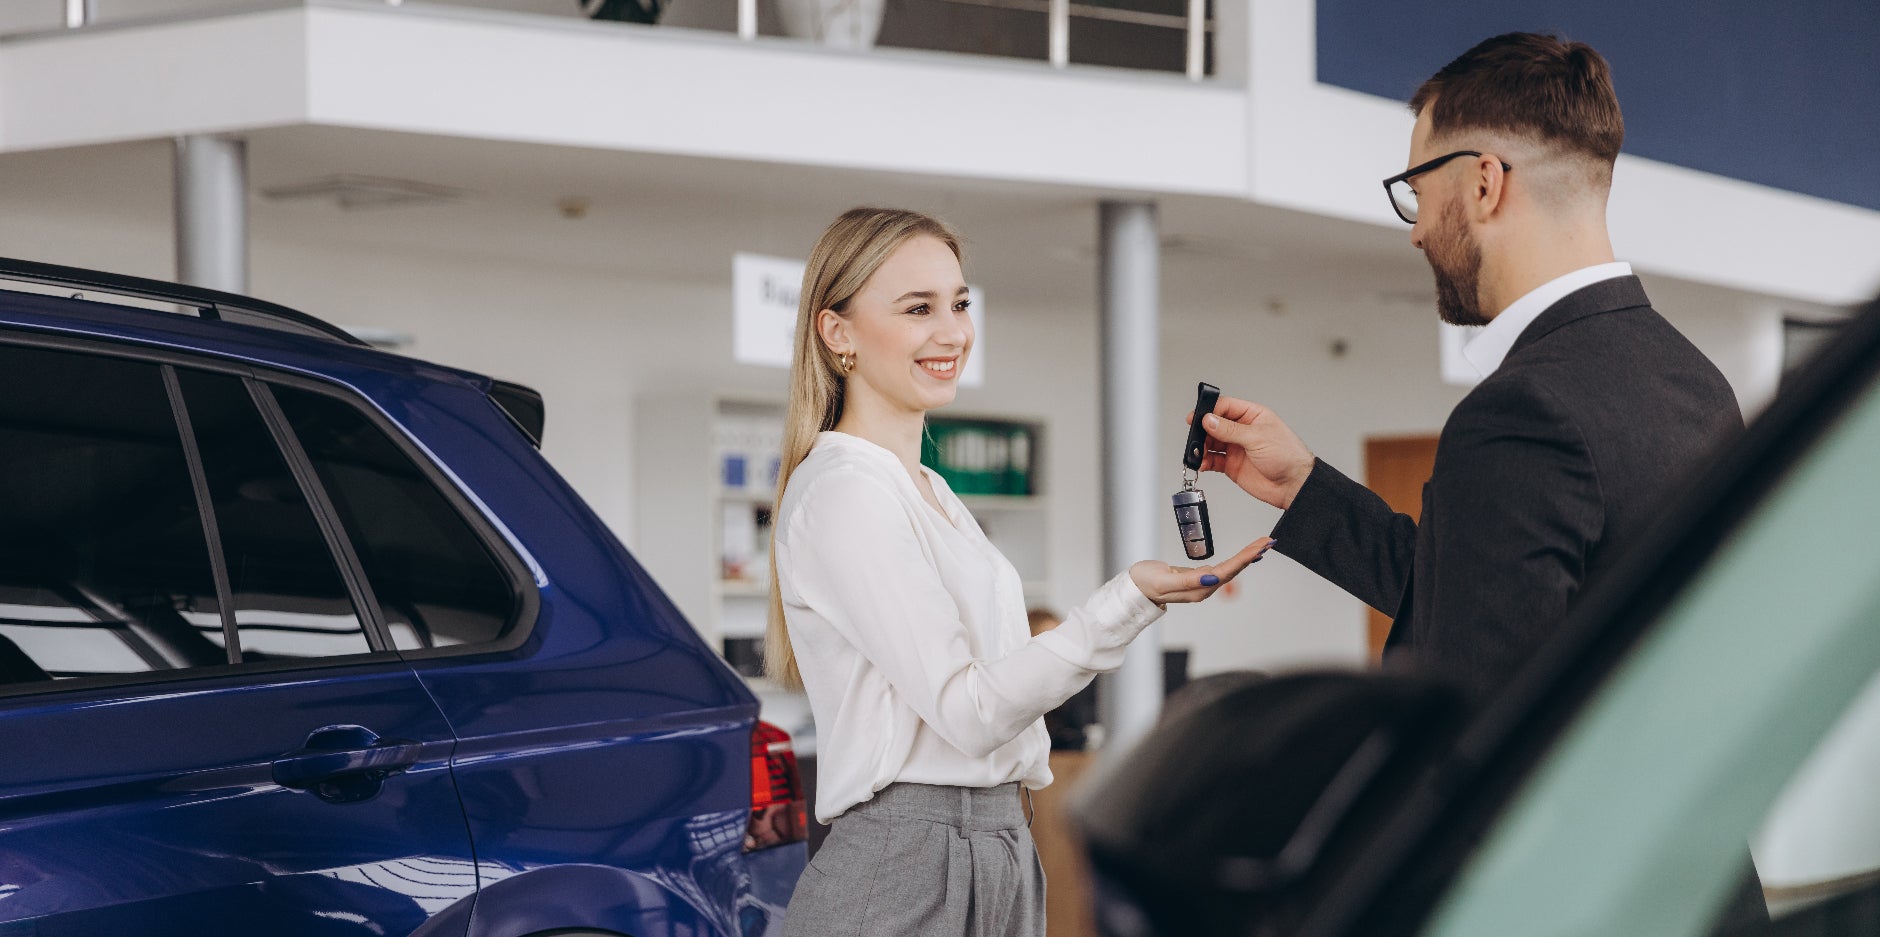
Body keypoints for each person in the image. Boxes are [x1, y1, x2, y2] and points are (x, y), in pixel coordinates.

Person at [1193, 32, 1744, 699]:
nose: (1417, 230)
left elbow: (1467, 712)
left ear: (1484, 183)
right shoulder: (1698, 384)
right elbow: (1482, 596)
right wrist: (1306, 486)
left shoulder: (1522, 411)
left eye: (1417, 191)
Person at [768, 207, 1270, 937]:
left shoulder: (930, 491)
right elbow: (969, 712)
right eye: (917, 308)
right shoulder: (846, 491)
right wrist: (1122, 602)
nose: (952, 332)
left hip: (996, 839)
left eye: (959, 303)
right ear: (837, 332)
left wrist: (1133, 598)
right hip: (910, 857)